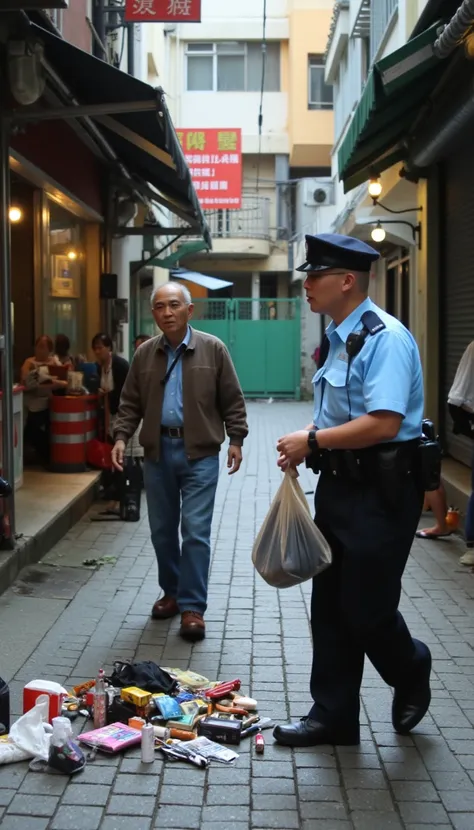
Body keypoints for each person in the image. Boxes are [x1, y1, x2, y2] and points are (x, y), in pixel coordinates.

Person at [273, 233, 432, 748]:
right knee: (331, 605)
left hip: (383, 494)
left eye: (314, 276)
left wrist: (312, 438)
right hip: (338, 487)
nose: (306, 286)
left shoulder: (383, 337)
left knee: (367, 607)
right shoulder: (340, 338)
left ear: (347, 281)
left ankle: (411, 666)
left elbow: (384, 423)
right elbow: (341, 415)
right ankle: (334, 715)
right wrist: (311, 450)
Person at [111, 282, 248, 642]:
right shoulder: (144, 355)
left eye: (174, 305)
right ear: (153, 313)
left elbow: (232, 398)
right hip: (158, 454)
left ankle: (192, 607)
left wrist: (236, 439)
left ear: (190, 310)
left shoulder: (213, 349)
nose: (166, 312)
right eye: (159, 306)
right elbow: (129, 403)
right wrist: (122, 437)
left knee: (195, 532)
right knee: (161, 531)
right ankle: (170, 593)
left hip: (200, 453)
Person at [92, 333, 129, 516]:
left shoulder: (120, 366)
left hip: (121, 416)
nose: (98, 351)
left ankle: (120, 498)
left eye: (101, 347)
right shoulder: (100, 368)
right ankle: (113, 495)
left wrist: (109, 394)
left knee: (119, 457)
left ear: (109, 348)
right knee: (110, 456)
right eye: (95, 348)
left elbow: (126, 392)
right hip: (108, 417)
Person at [21, 335, 67, 465]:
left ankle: (49, 456)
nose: (40, 350)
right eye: (38, 346)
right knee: (32, 425)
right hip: (31, 401)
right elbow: (25, 381)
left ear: (50, 350)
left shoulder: (54, 362)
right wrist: (53, 383)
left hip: (49, 401)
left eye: (43, 347)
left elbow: (64, 379)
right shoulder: (29, 362)